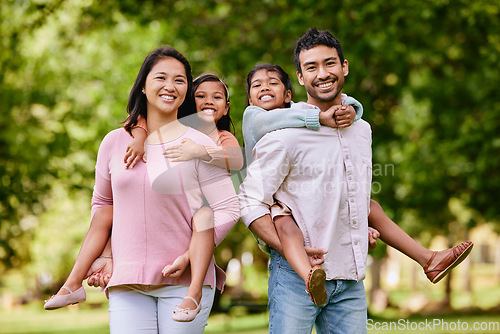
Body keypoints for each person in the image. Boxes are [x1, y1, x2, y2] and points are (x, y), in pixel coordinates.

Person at [242, 63, 473, 305]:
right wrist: (320, 117)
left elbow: (335, 102)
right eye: (257, 85)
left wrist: (352, 109)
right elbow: (278, 121)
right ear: (249, 99)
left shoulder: (296, 113)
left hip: (302, 206)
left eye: (273, 83)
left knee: (369, 206)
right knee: (289, 229)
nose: (265, 87)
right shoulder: (255, 117)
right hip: (272, 210)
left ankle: (427, 259)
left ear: (288, 95)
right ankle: (310, 277)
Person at [83, 47, 239, 333]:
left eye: (180, 80)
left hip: (186, 283)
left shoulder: (200, 143)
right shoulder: (114, 142)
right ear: (143, 85)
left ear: (186, 92)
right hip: (128, 280)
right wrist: (105, 253)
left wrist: (192, 254)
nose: (170, 86)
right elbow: (103, 203)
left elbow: (229, 207)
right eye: (161, 78)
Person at [239, 28, 373, 333]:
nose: (322, 73)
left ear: (345, 67)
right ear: (300, 78)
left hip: (350, 279)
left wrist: (360, 228)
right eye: (311, 67)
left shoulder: (362, 129)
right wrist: (287, 250)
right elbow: (248, 200)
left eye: (330, 63)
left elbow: (352, 193)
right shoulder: (284, 134)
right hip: (293, 278)